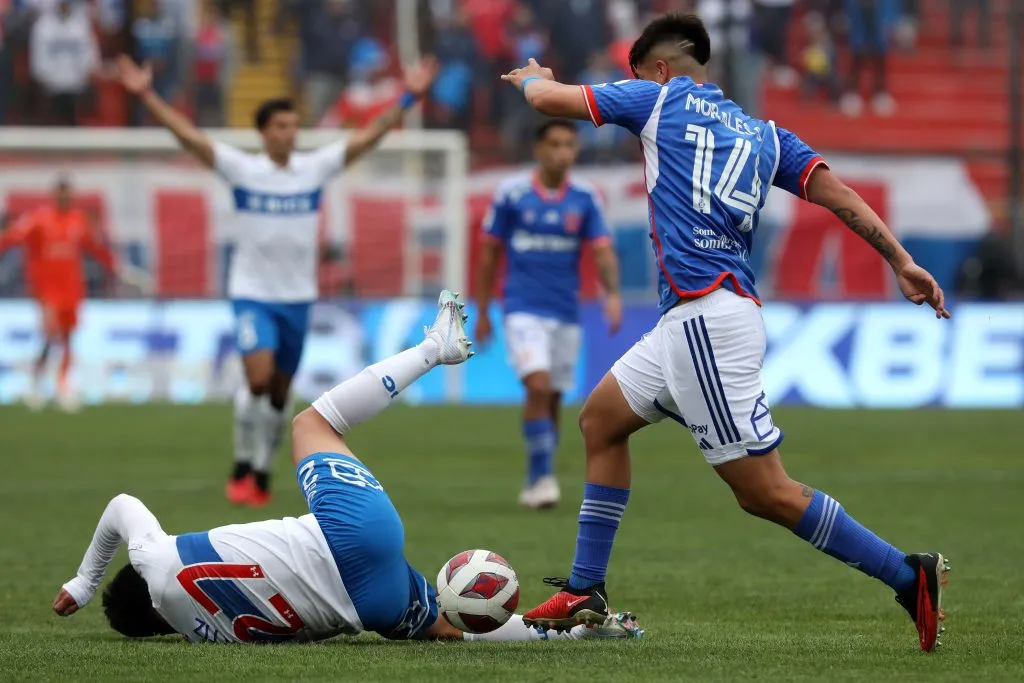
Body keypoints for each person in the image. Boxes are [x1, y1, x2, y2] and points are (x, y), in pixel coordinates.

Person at [500, 13, 951, 652]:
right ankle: (585, 590)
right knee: (600, 421)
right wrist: (901, 260)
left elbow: (547, 99)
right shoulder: (768, 134)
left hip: (707, 320)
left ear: (658, 69)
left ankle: (909, 577)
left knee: (764, 493)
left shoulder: (656, 100)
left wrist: (536, 78)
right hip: (692, 320)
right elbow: (839, 194)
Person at [51, 292, 644, 644]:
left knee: (452, 625)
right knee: (311, 425)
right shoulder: (152, 563)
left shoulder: (205, 632)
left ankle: (582, 627)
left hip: (371, 607)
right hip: (351, 533)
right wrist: (82, 583)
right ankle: (436, 347)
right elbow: (121, 507)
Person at [114, 53, 438, 508]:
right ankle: (242, 461)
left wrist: (409, 95)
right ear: (264, 131)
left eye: (293, 126)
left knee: (280, 393)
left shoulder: (314, 168)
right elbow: (189, 137)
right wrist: (146, 94)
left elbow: (370, 136)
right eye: (281, 126)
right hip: (252, 294)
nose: (289, 133)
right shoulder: (242, 169)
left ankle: (261, 469)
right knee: (259, 377)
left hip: (298, 298)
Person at [475, 119, 621, 510]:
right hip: (522, 308)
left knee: (554, 395)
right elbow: (490, 252)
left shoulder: (586, 198)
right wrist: (484, 308)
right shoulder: (512, 194)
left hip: (566, 312)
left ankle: (542, 472)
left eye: (569, 145)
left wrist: (613, 295)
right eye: (554, 144)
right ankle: (540, 479)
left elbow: (602, 249)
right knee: (537, 386)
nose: (562, 152)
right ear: (538, 149)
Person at [0, 177, 147, 411]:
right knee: (50, 334)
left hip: (71, 289)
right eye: (60, 193)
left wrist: (120, 269)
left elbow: (97, 249)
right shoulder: (39, 219)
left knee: (68, 338)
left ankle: (62, 385)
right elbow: (12, 237)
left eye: (67, 193)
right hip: (46, 289)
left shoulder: (78, 221)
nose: (64, 198)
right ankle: (37, 382)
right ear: (54, 194)